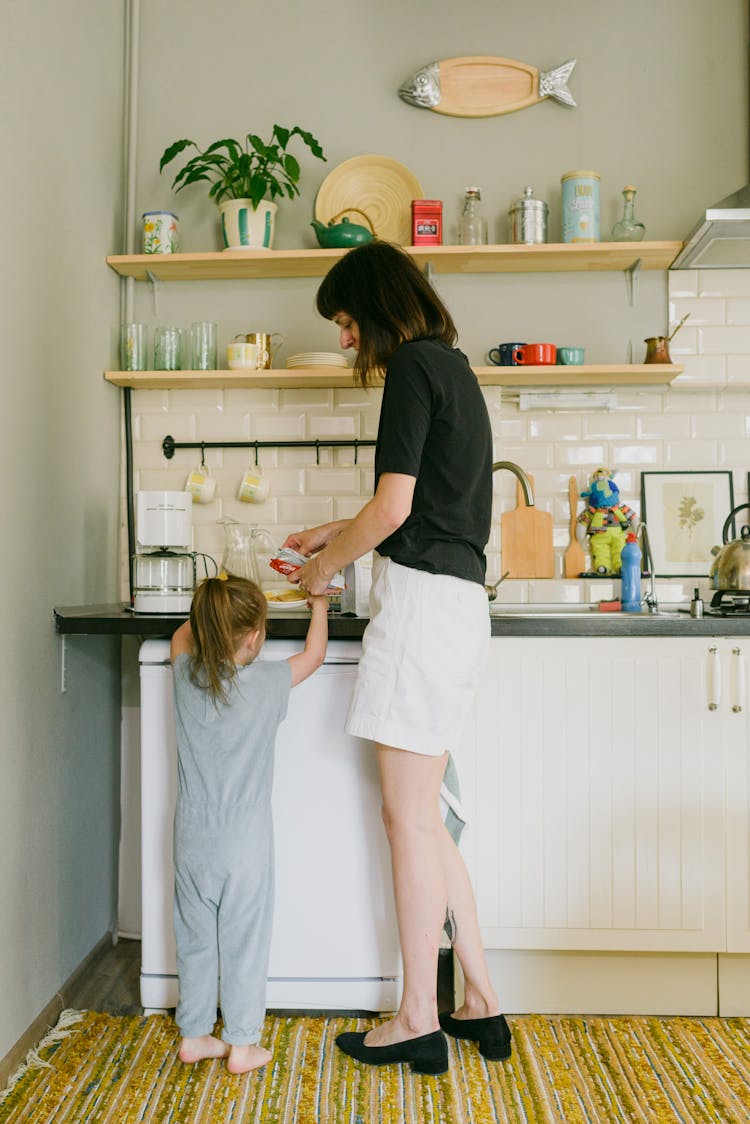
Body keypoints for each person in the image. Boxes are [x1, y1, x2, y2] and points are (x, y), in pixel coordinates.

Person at [283, 241, 510, 1076]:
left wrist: (325, 564)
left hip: (420, 613)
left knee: (408, 821)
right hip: (456, 611)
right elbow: (416, 507)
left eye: (346, 321)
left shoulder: (412, 367)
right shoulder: (449, 367)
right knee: (427, 818)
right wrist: (330, 534)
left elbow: (394, 505)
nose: (346, 340)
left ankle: (418, 1015)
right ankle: (479, 999)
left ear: (377, 310)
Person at [170, 574, 328, 1074]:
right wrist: (318, 603)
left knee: (195, 937)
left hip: (191, 837)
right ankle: (242, 1044)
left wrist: (209, 617)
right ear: (256, 636)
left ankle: (194, 1035)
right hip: (245, 842)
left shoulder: (185, 674)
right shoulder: (266, 682)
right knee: (243, 938)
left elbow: (182, 637)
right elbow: (315, 655)